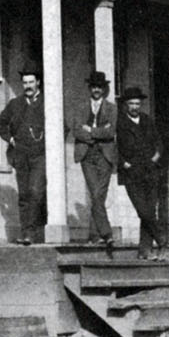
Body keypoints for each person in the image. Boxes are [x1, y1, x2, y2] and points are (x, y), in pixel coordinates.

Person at [0, 65, 47, 245]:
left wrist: (49, 146)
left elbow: (62, 127)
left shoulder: (48, 103)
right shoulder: (15, 104)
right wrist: (11, 139)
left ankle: (34, 229)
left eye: (31, 82)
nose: (28, 86)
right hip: (21, 155)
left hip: (40, 155)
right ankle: (27, 234)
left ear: (38, 82)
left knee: (36, 191)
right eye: (25, 83)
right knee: (24, 194)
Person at [115, 87, 169, 260]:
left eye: (137, 103)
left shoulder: (147, 120)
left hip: (150, 171)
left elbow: (159, 142)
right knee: (142, 211)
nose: (135, 107)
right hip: (132, 173)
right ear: (125, 105)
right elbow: (113, 147)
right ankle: (161, 238)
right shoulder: (120, 123)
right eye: (131, 103)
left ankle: (144, 251)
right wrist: (123, 162)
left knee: (149, 211)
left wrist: (156, 156)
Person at [72, 71, 118, 247]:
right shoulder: (80, 107)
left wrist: (90, 130)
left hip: (105, 155)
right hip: (87, 156)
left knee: (99, 195)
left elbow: (111, 131)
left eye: (100, 87)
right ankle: (105, 234)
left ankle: (97, 234)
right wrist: (98, 133)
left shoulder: (112, 108)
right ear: (90, 88)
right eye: (94, 86)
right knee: (96, 194)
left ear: (104, 89)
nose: (97, 90)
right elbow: (76, 130)